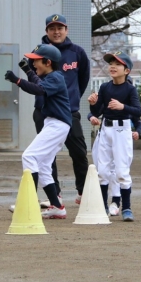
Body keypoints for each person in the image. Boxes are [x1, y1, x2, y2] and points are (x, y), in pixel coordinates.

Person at [5, 44, 71, 219]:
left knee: (29, 156)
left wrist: (17, 81)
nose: (33, 64)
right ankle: (57, 207)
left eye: (36, 61)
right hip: (55, 124)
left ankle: (29, 203)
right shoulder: (52, 76)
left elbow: (39, 89)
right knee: (42, 167)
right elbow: (38, 82)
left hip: (57, 124)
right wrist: (27, 71)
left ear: (48, 62)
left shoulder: (56, 77)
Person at [31, 14, 90, 205]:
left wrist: (70, 100)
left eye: (60, 28)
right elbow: (34, 80)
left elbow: (83, 80)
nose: (56, 32)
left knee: (79, 152)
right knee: (47, 156)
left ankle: (83, 192)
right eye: (52, 28)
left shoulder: (77, 52)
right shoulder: (38, 52)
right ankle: (54, 196)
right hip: (44, 111)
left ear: (66, 30)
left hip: (69, 112)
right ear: (46, 31)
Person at [89, 51, 141, 222]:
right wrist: (93, 104)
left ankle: (126, 207)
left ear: (127, 70)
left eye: (118, 64)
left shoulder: (130, 89)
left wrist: (122, 106)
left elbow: (137, 111)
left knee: (121, 171)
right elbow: (98, 111)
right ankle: (103, 206)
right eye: (111, 63)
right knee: (103, 170)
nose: (113, 66)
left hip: (122, 130)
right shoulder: (105, 87)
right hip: (106, 128)